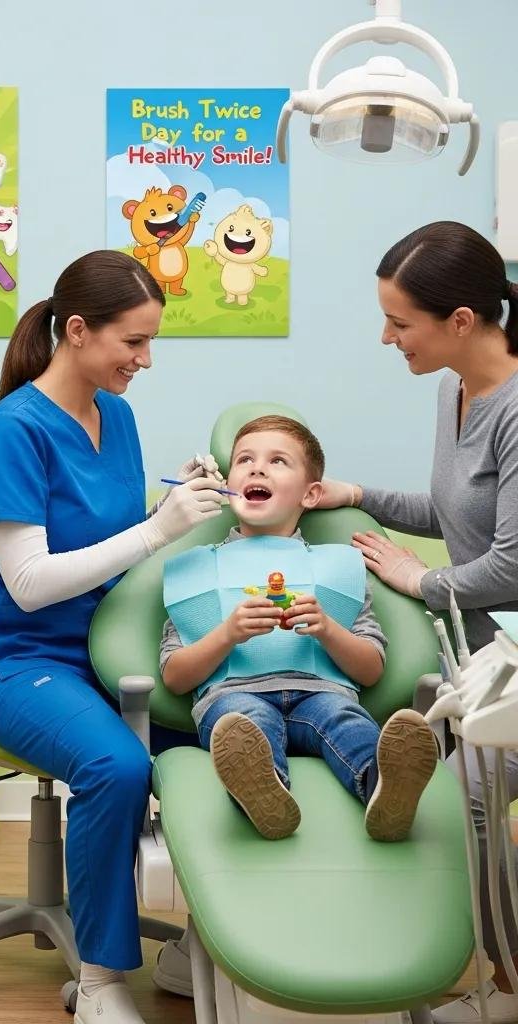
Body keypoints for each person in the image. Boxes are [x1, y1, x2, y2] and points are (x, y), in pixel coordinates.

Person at [0, 250, 227, 1024]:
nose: (145, 361)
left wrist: (177, 502)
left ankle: (201, 945)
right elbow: (32, 582)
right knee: (114, 766)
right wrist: (155, 530)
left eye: (150, 343)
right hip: (21, 664)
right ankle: (103, 980)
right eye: (133, 343)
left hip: (112, 652)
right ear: (77, 331)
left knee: (223, 737)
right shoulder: (10, 432)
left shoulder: (119, 416)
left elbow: (107, 534)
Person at [319, 222, 518, 1022]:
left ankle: (501, 986)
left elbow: (510, 563)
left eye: (401, 322)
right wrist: (360, 494)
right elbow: (454, 510)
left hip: (508, 650)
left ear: (461, 321)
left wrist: (422, 579)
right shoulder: (455, 387)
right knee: (466, 802)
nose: (386, 336)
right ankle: (489, 975)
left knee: (467, 804)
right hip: (486, 657)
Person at [160, 415, 439, 840]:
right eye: (245, 460)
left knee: (347, 721)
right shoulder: (196, 570)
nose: (257, 468)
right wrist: (227, 634)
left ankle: (387, 792)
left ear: (311, 494)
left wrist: (328, 629)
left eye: (278, 461)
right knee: (245, 724)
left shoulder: (340, 571)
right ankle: (265, 795)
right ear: (226, 483)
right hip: (234, 697)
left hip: (322, 694)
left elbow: (370, 670)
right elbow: (175, 677)